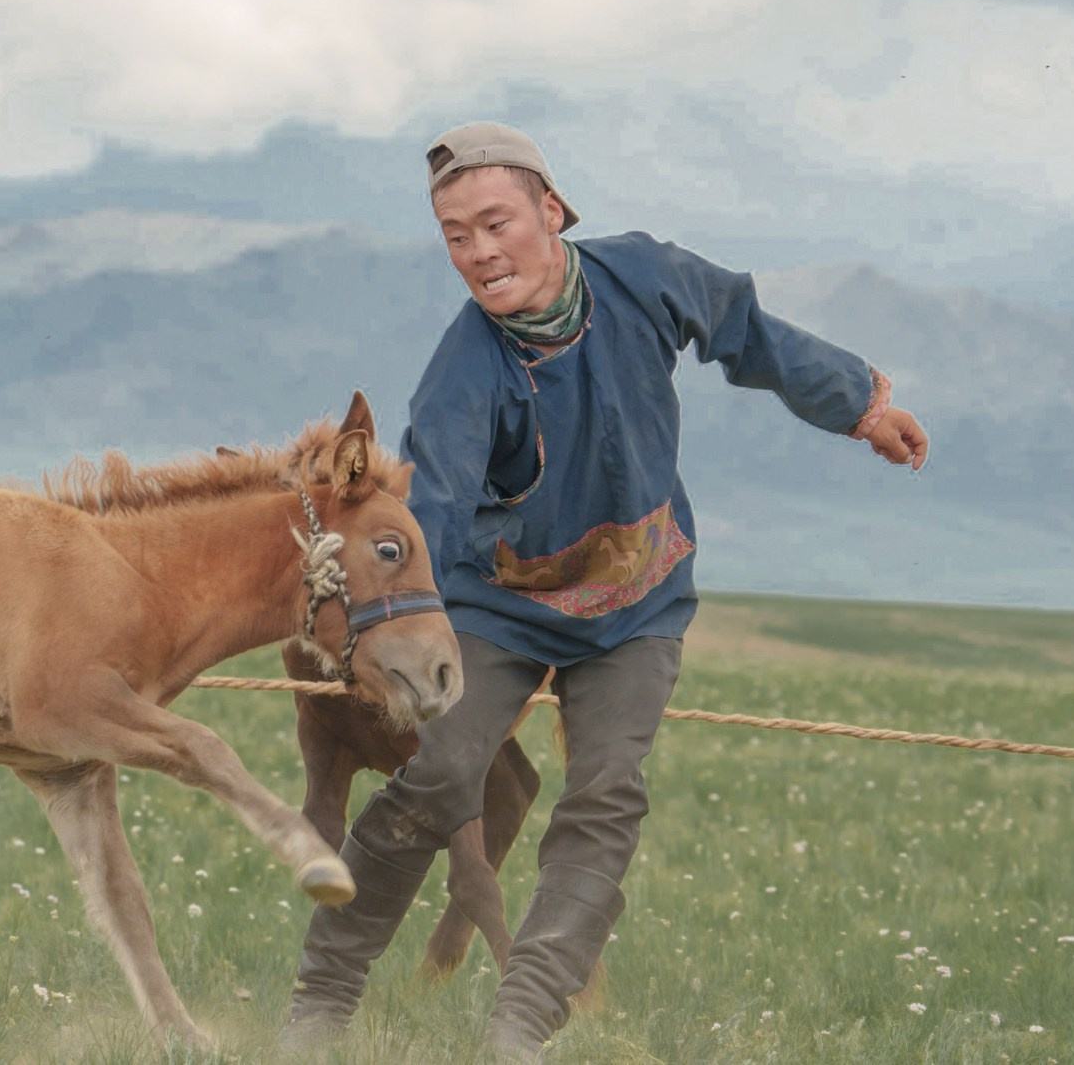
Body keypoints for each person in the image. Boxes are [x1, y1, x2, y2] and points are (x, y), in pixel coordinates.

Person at [280, 122, 929, 1060]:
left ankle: (520, 1024)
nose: (480, 251)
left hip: (641, 601)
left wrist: (860, 407)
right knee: (444, 774)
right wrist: (381, 614)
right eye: (456, 235)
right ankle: (321, 1000)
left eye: (495, 222)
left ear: (552, 211)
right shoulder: (466, 370)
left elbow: (747, 331)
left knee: (607, 792)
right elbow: (439, 510)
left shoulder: (642, 276)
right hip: (501, 606)